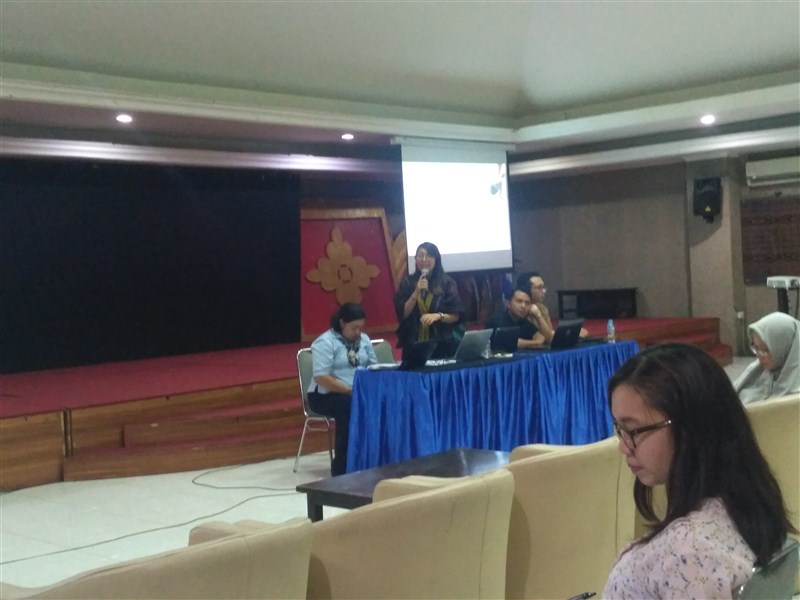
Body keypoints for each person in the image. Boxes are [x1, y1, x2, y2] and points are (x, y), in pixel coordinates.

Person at [603, 343, 796, 599]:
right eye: (619, 429)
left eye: (633, 430)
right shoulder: (748, 506)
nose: (623, 446)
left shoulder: (687, 549)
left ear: (690, 428)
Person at [308, 303, 377, 476]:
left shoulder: (364, 340)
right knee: (349, 407)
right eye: (354, 328)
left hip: (356, 393)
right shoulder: (325, 342)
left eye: (361, 327)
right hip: (325, 395)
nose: (358, 332)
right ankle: (341, 468)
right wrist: (349, 390)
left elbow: (374, 367)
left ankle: (374, 459)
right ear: (342, 323)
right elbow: (321, 377)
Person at [393, 242, 465, 359]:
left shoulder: (447, 283)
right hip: (413, 343)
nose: (424, 259)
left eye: (429, 256)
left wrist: (438, 316)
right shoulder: (407, 283)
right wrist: (416, 292)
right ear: (415, 259)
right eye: (420, 255)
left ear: (436, 259)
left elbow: (456, 316)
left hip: (441, 343)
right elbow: (403, 314)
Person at [733, 311, 800, 404]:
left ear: (784, 347)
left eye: (765, 349)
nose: (759, 355)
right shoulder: (756, 370)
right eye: (756, 347)